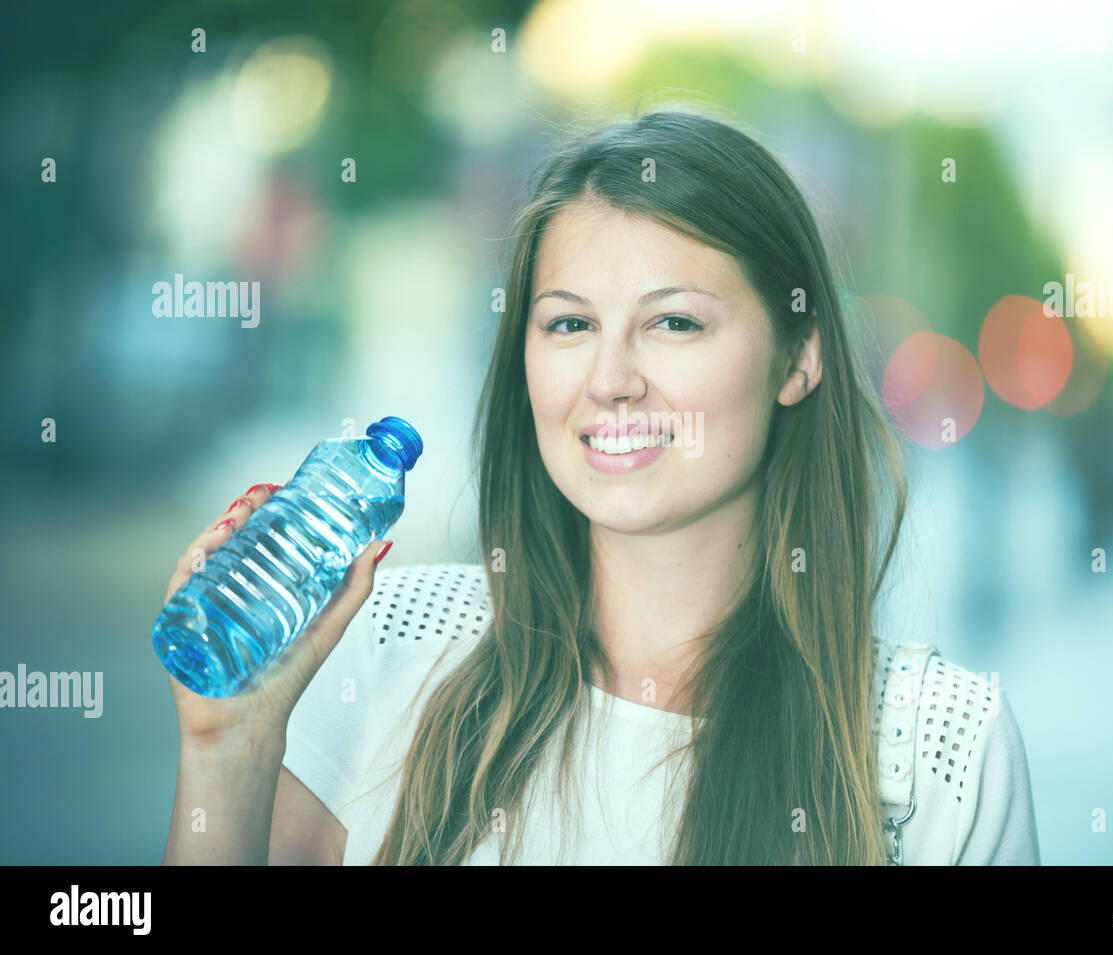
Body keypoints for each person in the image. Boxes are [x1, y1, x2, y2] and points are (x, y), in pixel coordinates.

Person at [162, 107, 1039, 866]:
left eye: (674, 321)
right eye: (571, 322)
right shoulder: (384, 648)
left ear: (799, 356)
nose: (610, 378)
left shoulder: (938, 746)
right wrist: (227, 748)